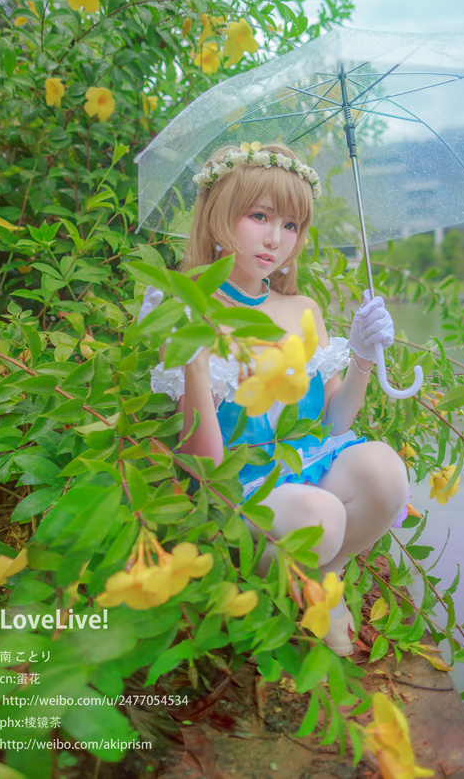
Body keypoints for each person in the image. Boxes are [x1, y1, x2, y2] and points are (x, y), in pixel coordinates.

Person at [141, 142, 409, 656]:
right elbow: (203, 467)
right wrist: (191, 357)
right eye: (259, 216)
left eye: (290, 225)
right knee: (320, 516)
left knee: (386, 472)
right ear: (219, 214)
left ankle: (325, 581)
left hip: (305, 467)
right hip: (238, 492)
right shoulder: (190, 308)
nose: (275, 239)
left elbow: (332, 425)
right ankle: (283, 586)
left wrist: (361, 356)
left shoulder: (302, 307)